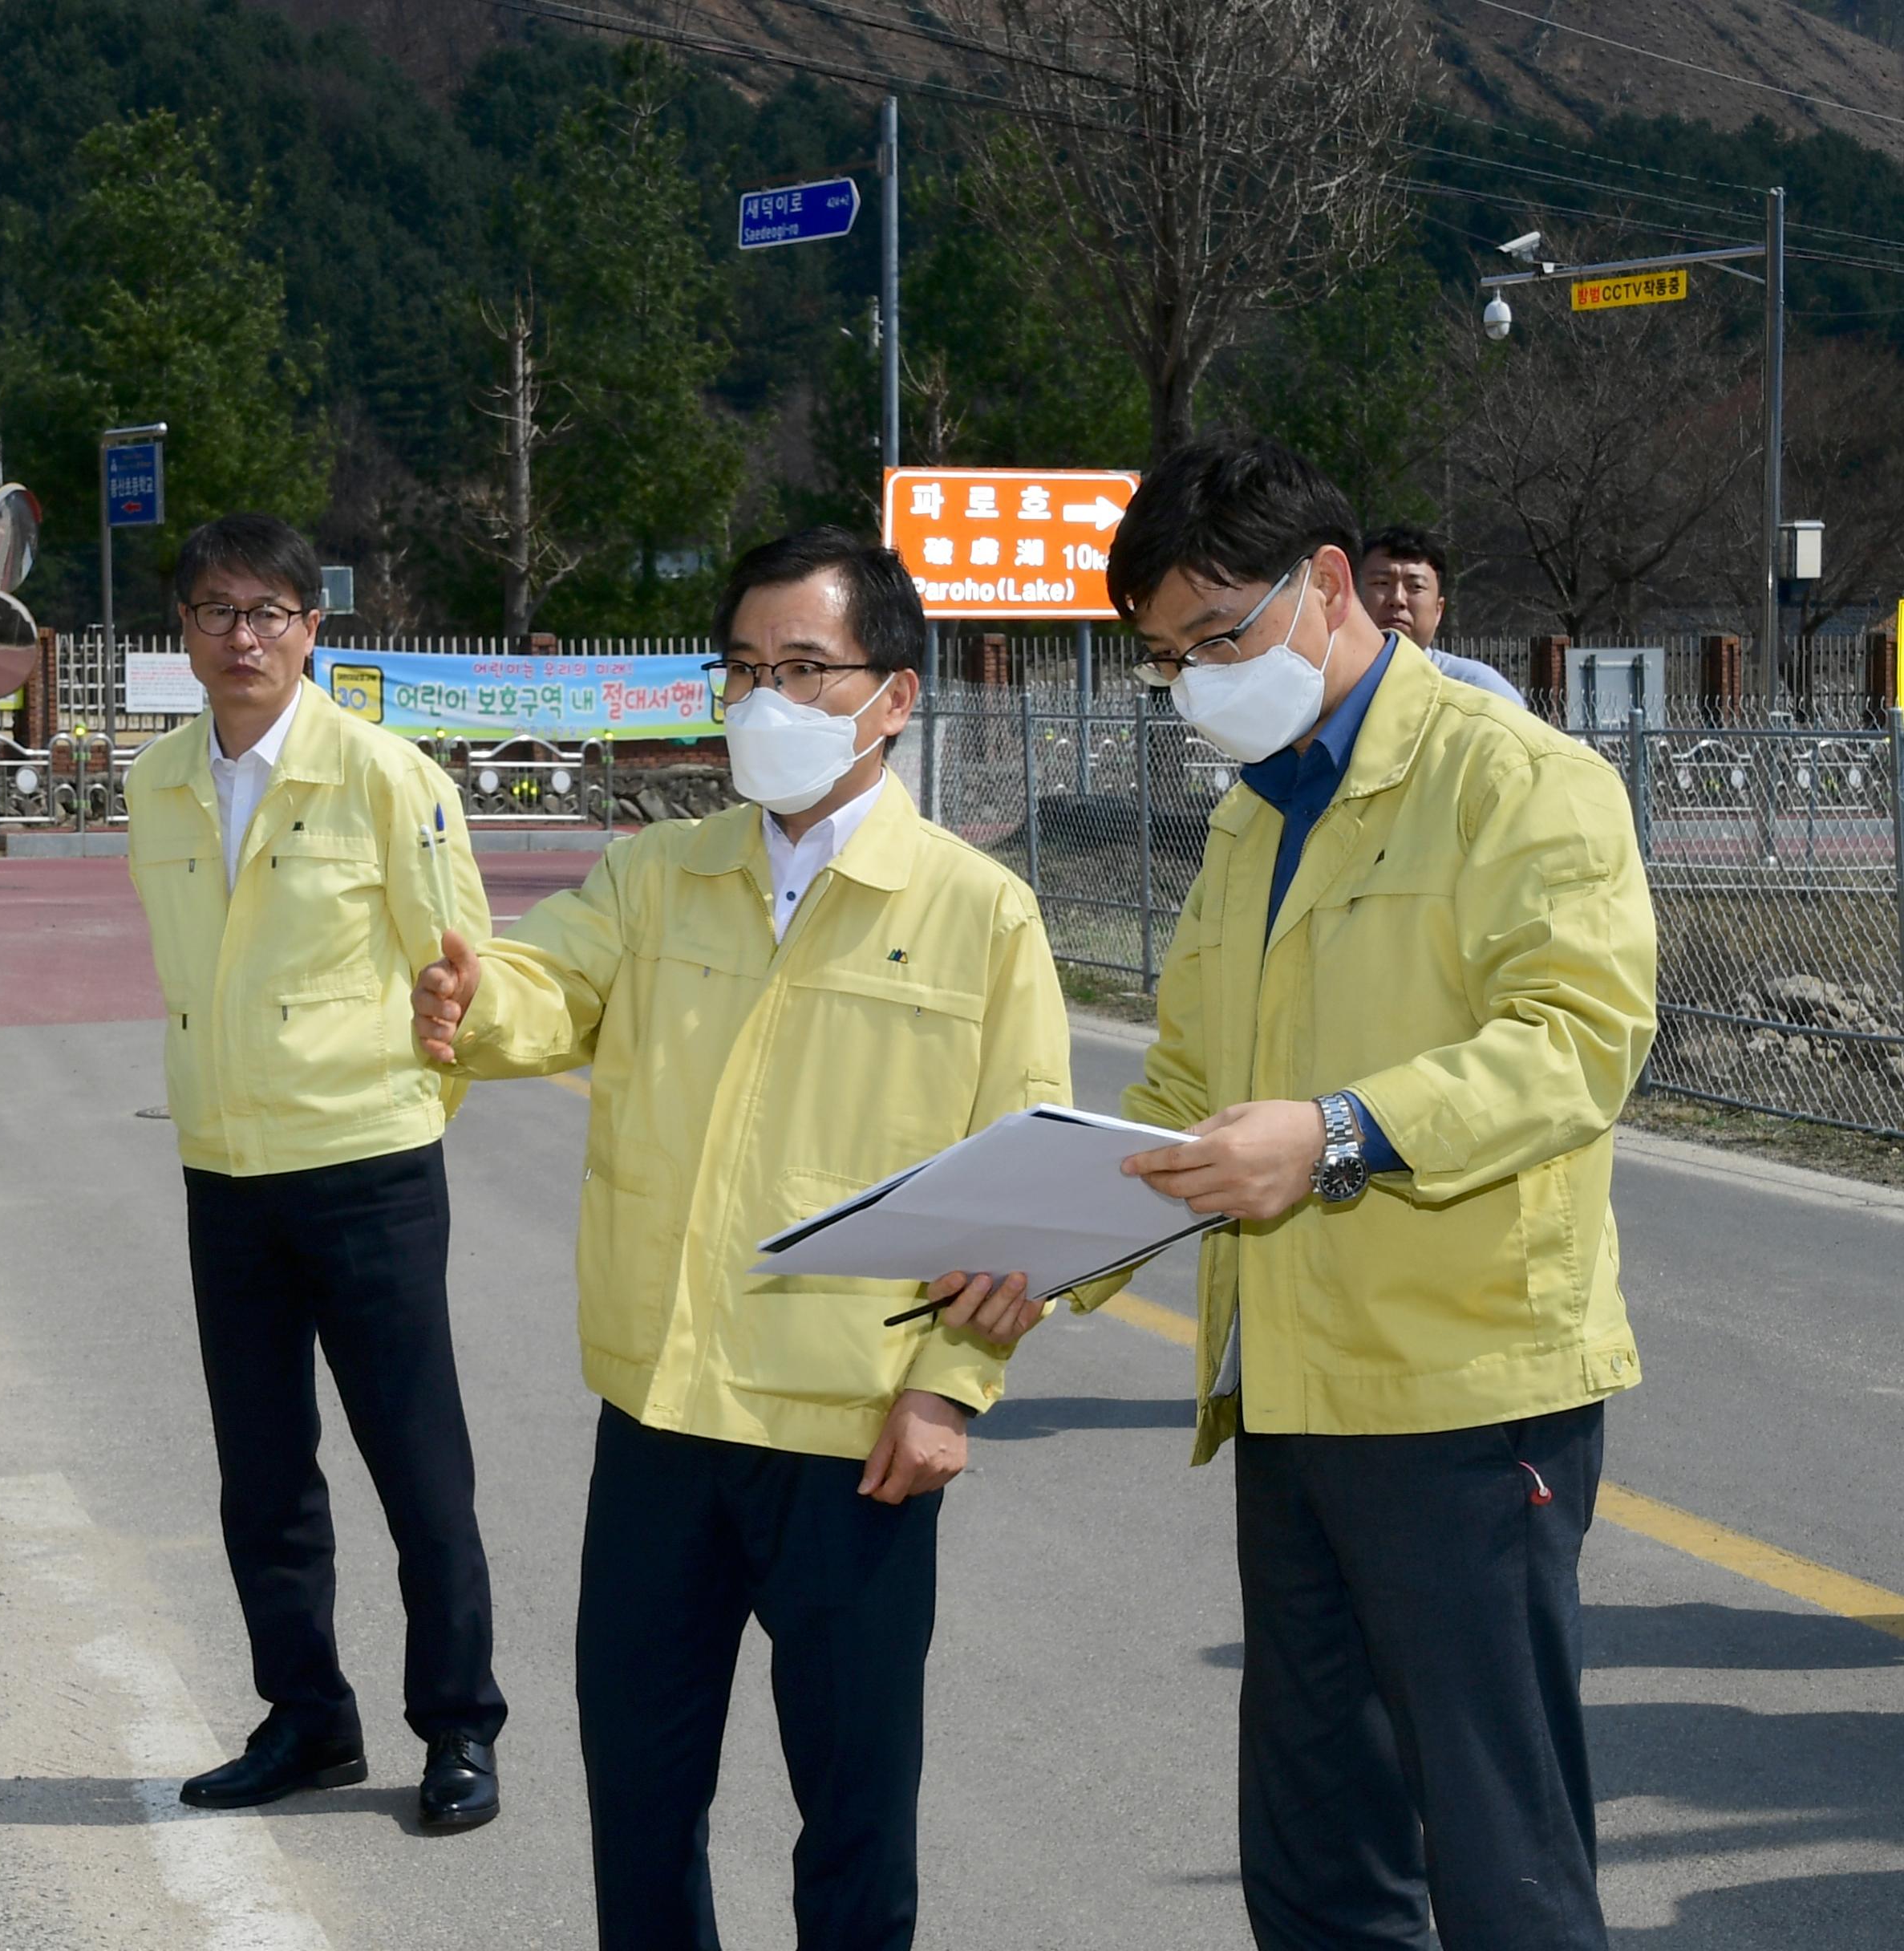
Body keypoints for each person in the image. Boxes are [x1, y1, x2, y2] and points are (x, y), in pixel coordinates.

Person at [411, 527, 1067, 1951]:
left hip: (856, 1441)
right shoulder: (659, 876)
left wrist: (952, 1384)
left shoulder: (974, 913)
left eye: (806, 670)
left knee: (852, 1815)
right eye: (746, 669)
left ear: (892, 696)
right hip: (661, 1414)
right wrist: (476, 997)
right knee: (639, 1798)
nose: (767, 700)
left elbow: (1027, 1187)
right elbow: (548, 985)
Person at [1088, 440, 1655, 1951]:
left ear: (1329, 584)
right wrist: (1037, 1243)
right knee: (1316, 1847)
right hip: (1290, 1391)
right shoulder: (1246, 817)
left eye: (1219, 636)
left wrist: (1339, 1132)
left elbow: (1573, 1045)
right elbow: (1184, 1092)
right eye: (1166, 660)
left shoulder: (1521, 781)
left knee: (1496, 1849)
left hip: (1465, 1400)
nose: (1197, 680)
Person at [124, 512, 508, 1831]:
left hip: (367, 1169)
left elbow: (461, 972)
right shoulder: (157, 781)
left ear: (311, 628)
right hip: (223, 1170)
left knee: (418, 1467)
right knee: (261, 1471)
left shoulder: (385, 777)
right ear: (181, 631)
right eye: (218, 611)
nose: (243, 637)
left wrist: (405, 1100)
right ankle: (306, 1717)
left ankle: (458, 1725)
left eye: (269, 611)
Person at [1356, 525, 1525, 704]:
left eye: (1416, 587)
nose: (1398, 599)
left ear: (1438, 610)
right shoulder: (1328, 691)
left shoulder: (1481, 691)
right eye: (1382, 583)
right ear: (1351, 600)